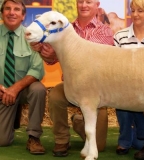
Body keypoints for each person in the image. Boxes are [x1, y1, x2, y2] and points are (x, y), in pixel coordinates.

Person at [30, 0, 114, 157]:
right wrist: (42, 51)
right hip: (71, 86)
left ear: (97, 5)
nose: (83, 5)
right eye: (80, 1)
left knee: (100, 146)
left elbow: (88, 58)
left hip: (96, 91)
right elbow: (51, 60)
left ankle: (78, 120)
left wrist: (57, 53)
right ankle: (62, 140)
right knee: (55, 95)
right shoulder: (62, 27)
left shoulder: (105, 31)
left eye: (88, 2)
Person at [114, 0, 144, 159]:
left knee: (140, 143)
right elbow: (115, 69)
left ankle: (143, 139)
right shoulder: (119, 36)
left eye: (140, 11)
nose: (135, 14)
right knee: (124, 98)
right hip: (125, 87)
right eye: (133, 10)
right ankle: (125, 139)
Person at [0, 0, 46, 155]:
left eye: (16, 9)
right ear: (2, 13)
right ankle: (12, 118)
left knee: (38, 89)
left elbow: (37, 69)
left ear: (23, 15)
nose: (11, 12)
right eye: (7, 9)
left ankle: (34, 137)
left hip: (23, 90)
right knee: (2, 141)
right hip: (2, 92)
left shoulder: (32, 37)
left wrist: (15, 88)